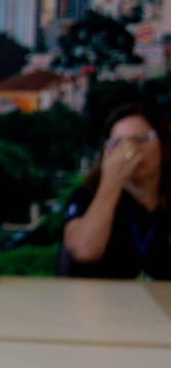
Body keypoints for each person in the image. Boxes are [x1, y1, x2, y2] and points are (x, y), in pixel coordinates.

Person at [60, 103, 171, 279]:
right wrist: (112, 181)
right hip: (101, 296)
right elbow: (84, 251)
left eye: (141, 139)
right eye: (116, 143)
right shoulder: (86, 196)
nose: (129, 151)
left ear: (163, 143)